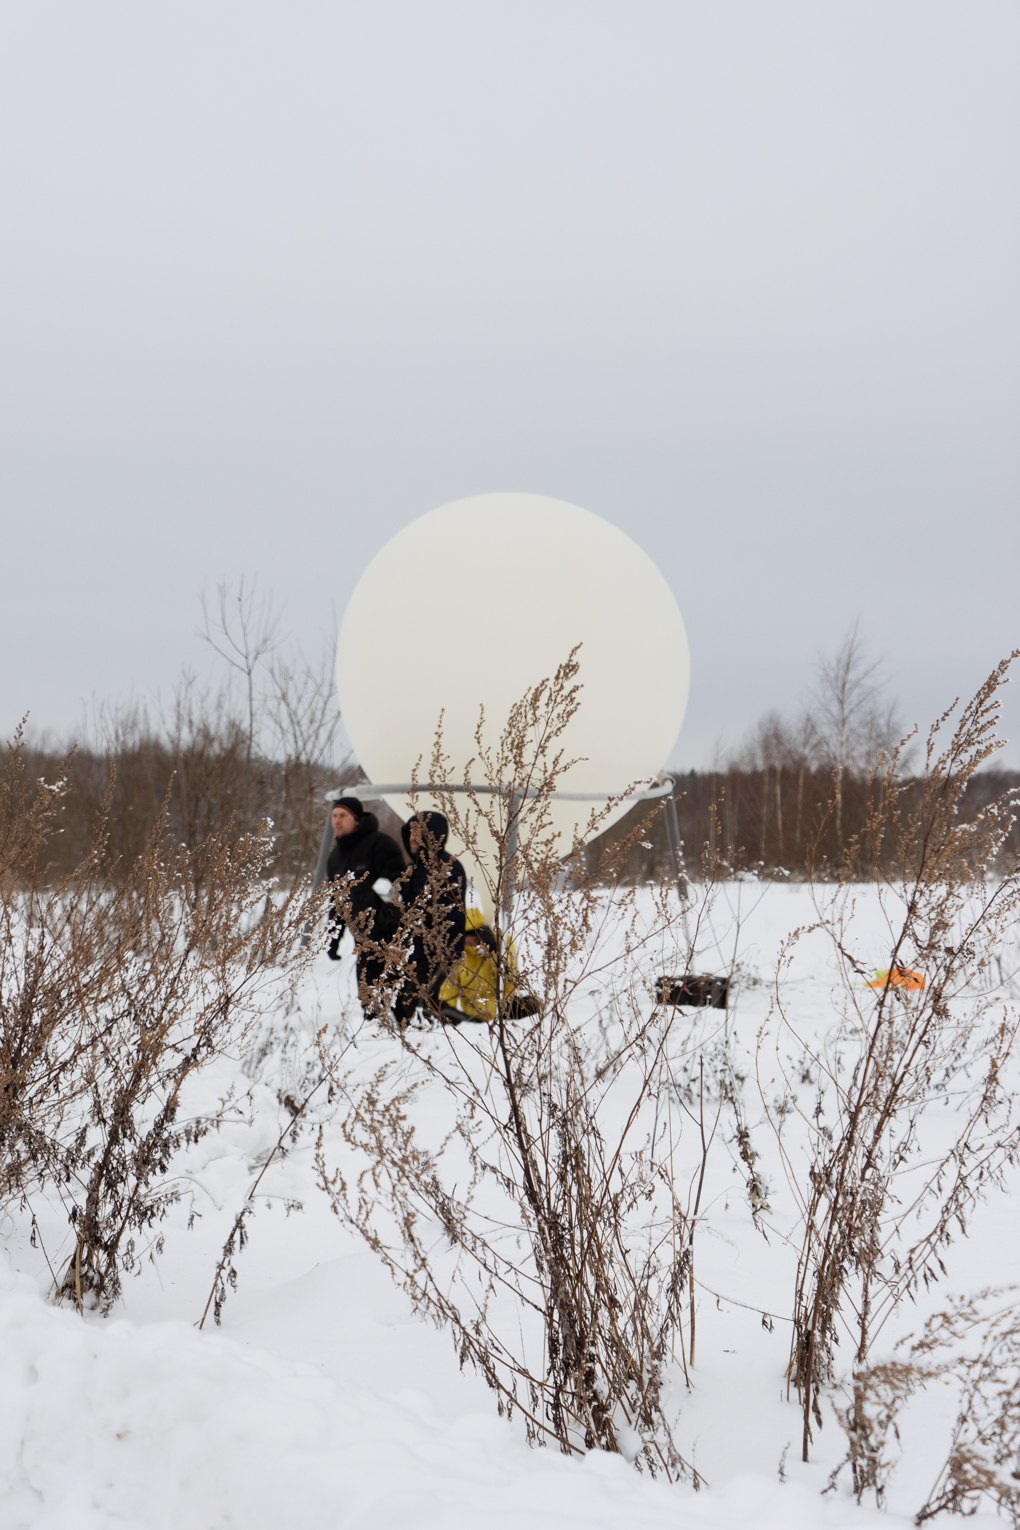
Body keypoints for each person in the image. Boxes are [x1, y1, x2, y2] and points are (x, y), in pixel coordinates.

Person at [326, 796, 406, 1018]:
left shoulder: (381, 844)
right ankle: (372, 1031)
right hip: (361, 940)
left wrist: (388, 920)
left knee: (397, 999)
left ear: (357, 819)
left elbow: (397, 886)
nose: (337, 821)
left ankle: (407, 1035)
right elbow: (337, 901)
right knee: (370, 1006)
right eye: (334, 816)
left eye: (343, 815)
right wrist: (333, 937)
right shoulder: (334, 857)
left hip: (390, 939)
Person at [394, 810, 467, 1027]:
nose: (412, 838)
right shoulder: (414, 869)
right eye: (410, 833)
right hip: (414, 951)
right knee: (406, 1007)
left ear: (433, 834)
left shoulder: (449, 867)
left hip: (438, 952)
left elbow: (446, 913)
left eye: (418, 833)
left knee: (427, 1009)